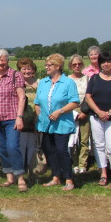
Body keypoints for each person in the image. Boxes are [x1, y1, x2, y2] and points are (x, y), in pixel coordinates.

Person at [34, 54, 79, 191]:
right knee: (49, 150)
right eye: (46, 65)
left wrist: (60, 111)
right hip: (45, 124)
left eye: (49, 65)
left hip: (62, 123)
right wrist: (40, 116)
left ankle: (69, 179)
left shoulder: (68, 83)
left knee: (61, 150)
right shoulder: (43, 82)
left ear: (58, 66)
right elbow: (37, 102)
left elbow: (75, 102)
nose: (46, 67)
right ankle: (55, 176)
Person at [0, 50, 27, 191]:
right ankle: (9, 177)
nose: (0, 63)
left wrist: (19, 117)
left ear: (7, 61)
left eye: (3, 60)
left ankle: (20, 177)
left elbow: (22, 97)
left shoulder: (16, 75)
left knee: (12, 147)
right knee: (2, 148)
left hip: (12, 118)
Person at [84, 51, 111, 186]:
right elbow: (88, 96)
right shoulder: (94, 78)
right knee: (99, 145)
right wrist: (98, 112)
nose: (106, 64)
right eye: (103, 62)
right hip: (96, 117)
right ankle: (103, 173)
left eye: (108, 61)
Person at [68, 54, 91, 175]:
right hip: (70, 112)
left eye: (79, 64)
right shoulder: (67, 79)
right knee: (72, 140)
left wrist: (84, 112)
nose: (77, 66)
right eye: (74, 64)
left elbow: (90, 96)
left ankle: (83, 164)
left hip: (85, 111)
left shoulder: (88, 79)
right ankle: (74, 163)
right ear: (70, 66)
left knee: (84, 139)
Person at [17, 57, 40, 178]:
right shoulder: (17, 84)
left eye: (29, 68)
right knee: (21, 145)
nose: (26, 71)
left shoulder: (40, 83)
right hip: (22, 118)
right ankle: (21, 170)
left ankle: (32, 169)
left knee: (32, 145)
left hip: (35, 118)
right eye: (23, 69)